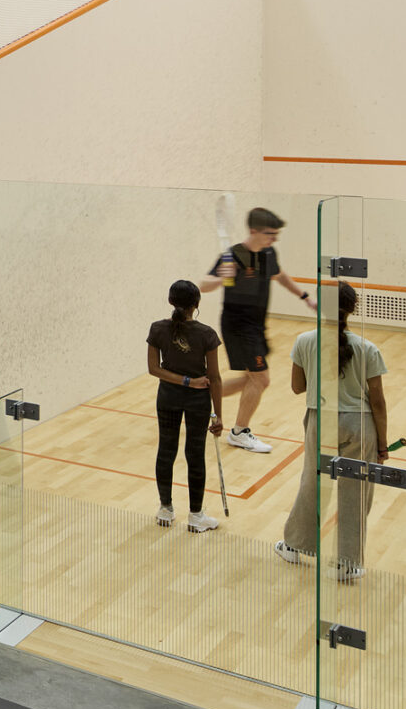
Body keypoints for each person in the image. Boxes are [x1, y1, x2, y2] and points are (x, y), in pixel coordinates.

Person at [276, 282, 386, 582]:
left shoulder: (304, 341)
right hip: (359, 425)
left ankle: (294, 545)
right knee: (356, 491)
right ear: (352, 309)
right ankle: (348, 564)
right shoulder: (368, 349)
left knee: (312, 483)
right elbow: (377, 400)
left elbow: (298, 388)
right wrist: (383, 444)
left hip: (320, 421)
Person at [199, 207, 316, 453]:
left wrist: (304, 296)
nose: (274, 238)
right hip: (238, 326)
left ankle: (200, 393)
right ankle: (239, 432)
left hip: (257, 325)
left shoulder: (268, 252)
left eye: (275, 234)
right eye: (269, 233)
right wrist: (222, 277)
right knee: (261, 379)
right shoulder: (233, 255)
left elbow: (279, 275)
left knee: (251, 379)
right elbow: (203, 285)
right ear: (253, 231)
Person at [146, 280, 225, 532]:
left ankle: (166, 509)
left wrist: (181, 381)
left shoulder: (157, 329)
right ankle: (195, 516)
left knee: (166, 450)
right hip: (197, 401)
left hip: (167, 397)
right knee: (195, 454)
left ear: (170, 302)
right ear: (197, 304)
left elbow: (154, 369)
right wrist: (219, 416)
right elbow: (214, 377)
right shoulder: (207, 334)